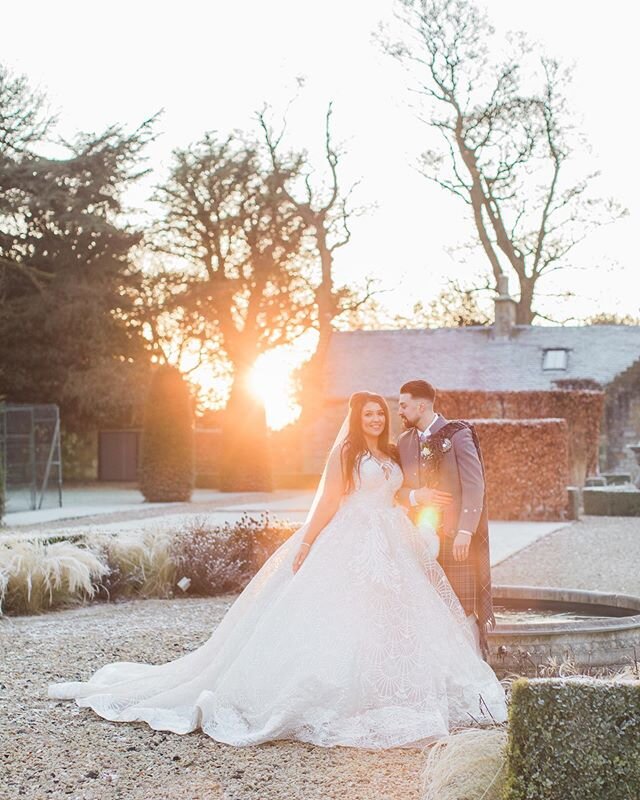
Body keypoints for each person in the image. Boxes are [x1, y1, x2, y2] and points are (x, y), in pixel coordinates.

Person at [48, 391, 507, 749]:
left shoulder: (390, 453)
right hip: (353, 538)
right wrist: (306, 543)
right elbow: (328, 502)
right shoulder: (346, 454)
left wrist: (416, 498)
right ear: (355, 417)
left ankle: (392, 689)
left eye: (380, 413)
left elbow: (397, 493)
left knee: (397, 615)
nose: (376, 419)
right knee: (345, 614)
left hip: (391, 541)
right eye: (368, 414)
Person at [396, 380, 495, 660]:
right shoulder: (403, 442)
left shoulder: (458, 434)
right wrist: (417, 495)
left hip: (455, 538)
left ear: (421, 405)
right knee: (425, 606)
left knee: (461, 606)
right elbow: (395, 489)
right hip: (417, 540)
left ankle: (470, 665)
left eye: (403, 405)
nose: (399, 411)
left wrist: (466, 531)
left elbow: (475, 486)